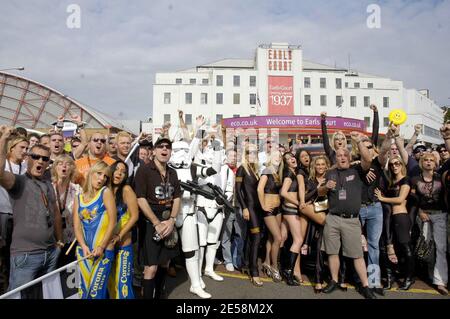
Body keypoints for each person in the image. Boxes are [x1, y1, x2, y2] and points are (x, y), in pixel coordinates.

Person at [0, 126, 64, 295]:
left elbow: (56, 213)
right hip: (26, 256)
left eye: (45, 159)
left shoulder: (49, 184)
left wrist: (60, 241)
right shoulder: (18, 181)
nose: (40, 161)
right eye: (35, 157)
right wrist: (4, 139)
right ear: (28, 158)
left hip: (50, 254)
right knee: (17, 296)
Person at [321, 132, 376, 299]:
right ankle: (334, 281)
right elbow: (320, 192)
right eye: (339, 155)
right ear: (335, 158)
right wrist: (325, 188)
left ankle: (366, 285)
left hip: (351, 220)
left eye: (345, 155)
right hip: (332, 218)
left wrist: (359, 141)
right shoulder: (330, 173)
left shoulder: (357, 169)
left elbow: (368, 159)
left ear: (349, 157)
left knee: (357, 254)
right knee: (331, 252)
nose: (342, 157)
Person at [134, 137, 181, 299]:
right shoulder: (144, 170)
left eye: (167, 147)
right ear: (153, 151)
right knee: (151, 267)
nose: (164, 149)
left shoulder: (172, 172)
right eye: (160, 146)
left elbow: (177, 198)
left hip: (168, 221)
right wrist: (156, 223)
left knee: (165, 263)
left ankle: (160, 294)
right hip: (151, 223)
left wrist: (172, 220)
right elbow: (140, 199)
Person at [73, 161, 117, 299]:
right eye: (99, 174)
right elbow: (77, 225)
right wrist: (83, 246)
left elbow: (113, 221)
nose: (102, 179)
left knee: (96, 293)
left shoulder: (106, 192)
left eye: (105, 176)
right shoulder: (78, 198)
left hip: (102, 251)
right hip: (83, 251)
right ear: (91, 173)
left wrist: (102, 246)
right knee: (84, 293)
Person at [374, 156, 414, 290]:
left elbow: (400, 199)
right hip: (390, 218)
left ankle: (409, 278)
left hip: (401, 216)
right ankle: (391, 278)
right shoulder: (391, 181)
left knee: (405, 248)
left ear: (402, 165)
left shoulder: (406, 180)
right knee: (389, 247)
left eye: (397, 163)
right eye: (391, 165)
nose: (394, 166)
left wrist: (382, 198)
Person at [411, 152, 448, 295]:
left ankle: (440, 281)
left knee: (441, 248)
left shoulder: (441, 178)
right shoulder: (415, 179)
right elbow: (413, 201)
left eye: (431, 160)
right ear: (421, 162)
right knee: (427, 247)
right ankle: (431, 274)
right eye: (425, 160)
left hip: (440, 215)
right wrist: (420, 211)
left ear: (435, 163)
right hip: (424, 215)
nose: (428, 162)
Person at [107, 160, 139, 299]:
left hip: (122, 245)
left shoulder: (126, 190)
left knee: (123, 285)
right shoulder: (105, 190)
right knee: (110, 284)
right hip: (107, 246)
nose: (119, 173)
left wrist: (120, 235)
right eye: (117, 169)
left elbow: (135, 216)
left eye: (123, 171)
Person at [299, 155, 330, 292]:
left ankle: (337, 278)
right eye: (318, 164)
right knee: (318, 246)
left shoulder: (331, 179)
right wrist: (317, 188)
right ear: (314, 166)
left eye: (323, 164)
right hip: (315, 216)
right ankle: (318, 280)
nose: (320, 167)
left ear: (327, 166)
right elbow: (305, 198)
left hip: (329, 215)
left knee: (323, 247)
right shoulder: (310, 180)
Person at [235, 144, 264, 286]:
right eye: (249, 152)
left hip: (258, 209)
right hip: (250, 208)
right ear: (245, 154)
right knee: (256, 237)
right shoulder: (242, 169)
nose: (252, 154)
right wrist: (244, 208)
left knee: (251, 238)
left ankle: (246, 264)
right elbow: (238, 191)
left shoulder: (256, 170)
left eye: (254, 152)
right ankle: (254, 272)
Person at [258, 150, 285, 283]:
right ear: (270, 158)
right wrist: (263, 205)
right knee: (278, 238)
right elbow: (259, 189)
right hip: (268, 210)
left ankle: (267, 263)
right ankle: (275, 267)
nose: (278, 158)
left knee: (271, 237)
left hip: (277, 209)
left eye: (279, 157)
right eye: (275, 156)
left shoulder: (277, 172)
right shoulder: (267, 170)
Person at [50, 154, 81, 266]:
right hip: (52, 239)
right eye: (60, 163)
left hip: (71, 238)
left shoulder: (77, 189)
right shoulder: (49, 188)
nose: (64, 166)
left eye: (67, 164)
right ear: (55, 168)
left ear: (72, 169)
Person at [221, 148, 246, 273]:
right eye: (231, 156)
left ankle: (237, 259)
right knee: (226, 234)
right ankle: (228, 260)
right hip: (227, 207)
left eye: (235, 156)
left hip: (240, 207)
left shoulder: (241, 170)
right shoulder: (223, 171)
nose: (233, 158)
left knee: (240, 235)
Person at [279, 152, 302, 286]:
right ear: (286, 163)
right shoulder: (289, 173)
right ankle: (289, 271)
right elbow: (283, 192)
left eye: (292, 156)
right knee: (298, 240)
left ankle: (281, 268)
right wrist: (298, 203)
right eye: (287, 159)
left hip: (286, 210)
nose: (291, 159)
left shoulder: (292, 172)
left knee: (282, 238)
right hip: (291, 210)